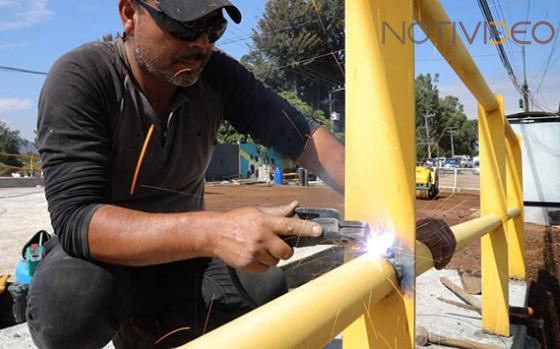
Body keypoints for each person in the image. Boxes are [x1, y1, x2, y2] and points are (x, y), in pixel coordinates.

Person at [28, 1, 455, 348]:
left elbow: (304, 139)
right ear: (129, 14)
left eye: (212, 28)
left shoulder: (216, 76)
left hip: (180, 260)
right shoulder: (82, 78)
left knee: (265, 288)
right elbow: (78, 221)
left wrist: (393, 214)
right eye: (183, 25)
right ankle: (125, 319)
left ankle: (147, 329)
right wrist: (214, 231)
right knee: (71, 306)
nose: (200, 44)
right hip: (104, 259)